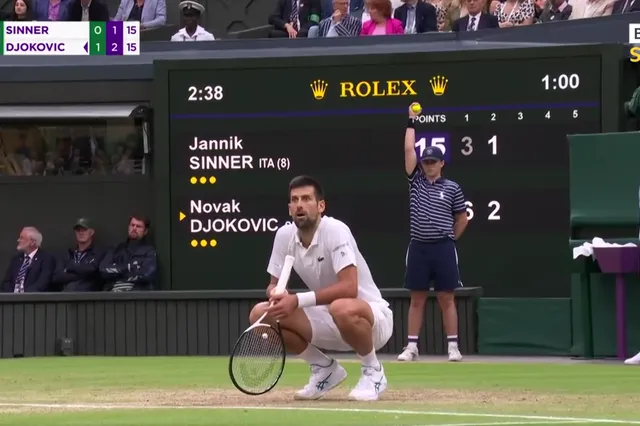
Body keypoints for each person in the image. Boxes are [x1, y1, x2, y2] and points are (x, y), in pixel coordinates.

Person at [249, 175, 394, 402]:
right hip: (329, 320)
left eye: (306, 199)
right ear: (289, 208)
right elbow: (273, 285)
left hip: (373, 322)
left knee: (341, 307)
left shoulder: (336, 230)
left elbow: (349, 287)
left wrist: (296, 300)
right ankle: (323, 368)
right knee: (261, 314)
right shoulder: (283, 236)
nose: (300, 204)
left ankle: (373, 371)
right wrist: (275, 294)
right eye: (295, 200)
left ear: (320, 206)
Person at [397, 103, 468, 363]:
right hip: (419, 247)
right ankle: (411, 347)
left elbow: (462, 218)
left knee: (447, 298)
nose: (428, 165)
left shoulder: (452, 188)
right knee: (416, 299)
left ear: (441, 163)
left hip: (443, 247)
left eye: (432, 161)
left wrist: (451, 238)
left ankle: (453, 347)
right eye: (425, 161)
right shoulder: (414, 181)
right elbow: (407, 149)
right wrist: (411, 121)